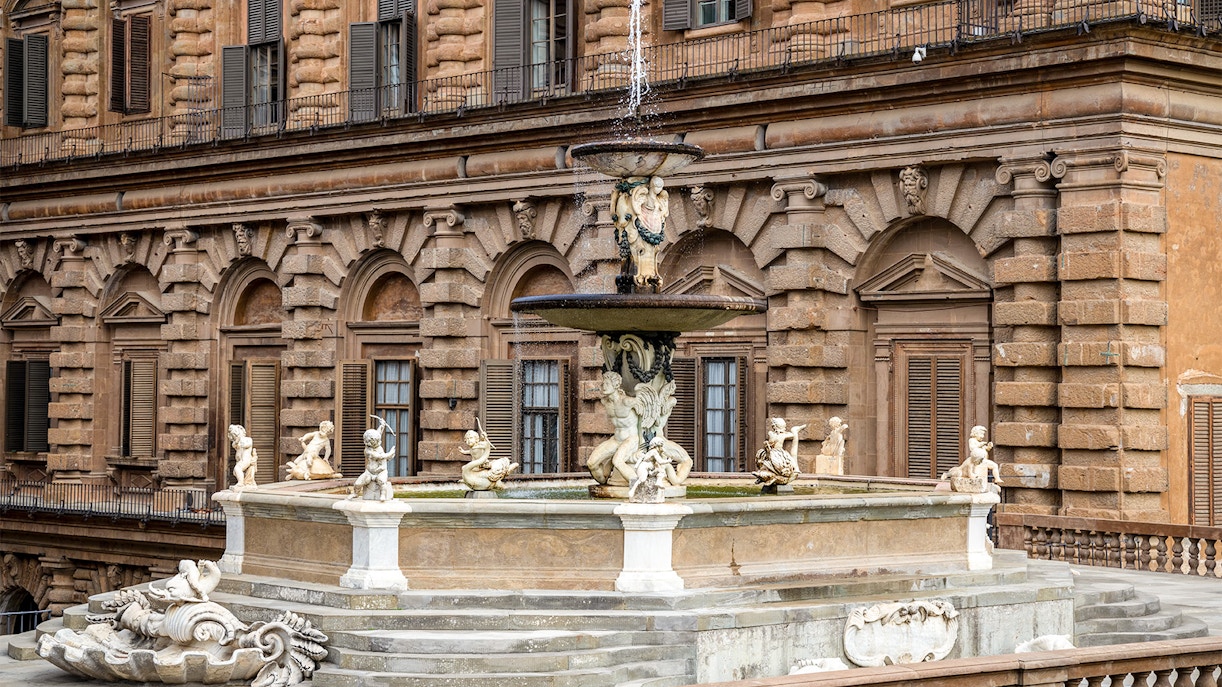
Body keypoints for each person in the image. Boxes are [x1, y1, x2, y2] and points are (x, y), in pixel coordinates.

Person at [586, 370, 643, 486]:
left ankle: (640, 486)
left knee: (617, 461)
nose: (603, 386)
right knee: (591, 463)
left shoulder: (627, 401)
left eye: (607, 384)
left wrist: (644, 444)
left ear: (616, 385)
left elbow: (645, 415)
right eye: (603, 383)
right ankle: (604, 482)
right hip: (616, 439)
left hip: (631, 439)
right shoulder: (606, 402)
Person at [460, 423, 518, 491]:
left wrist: (483, 438)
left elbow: (483, 444)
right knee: (464, 468)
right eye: (467, 439)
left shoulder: (479, 446)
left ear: (476, 439)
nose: (469, 440)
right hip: (475, 465)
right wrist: (464, 451)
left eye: (471, 438)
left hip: (482, 464)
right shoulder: (473, 448)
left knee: (487, 471)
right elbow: (471, 452)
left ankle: (506, 470)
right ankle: (468, 478)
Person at [350, 415, 394, 501]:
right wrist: (390, 454)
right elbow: (379, 456)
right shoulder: (368, 450)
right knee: (358, 483)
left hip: (380, 471)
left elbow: (378, 433)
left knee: (382, 482)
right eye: (369, 441)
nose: (370, 443)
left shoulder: (377, 444)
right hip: (369, 472)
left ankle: (383, 495)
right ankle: (355, 493)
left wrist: (382, 425)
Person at [754, 417, 805, 486]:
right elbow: (791, 435)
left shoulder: (778, 434)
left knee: (780, 466)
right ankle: (766, 475)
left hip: (778, 453)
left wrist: (794, 432)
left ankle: (772, 476)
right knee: (768, 463)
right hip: (772, 452)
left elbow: (792, 436)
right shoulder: (774, 434)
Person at [228, 424, 258, 489]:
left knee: (238, 469)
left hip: (246, 459)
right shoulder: (236, 442)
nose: (235, 436)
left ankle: (240, 483)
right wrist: (237, 440)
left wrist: (240, 441)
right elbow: (234, 445)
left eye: (235, 433)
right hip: (240, 460)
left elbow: (247, 445)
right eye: (233, 435)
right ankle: (243, 482)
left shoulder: (248, 439)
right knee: (235, 472)